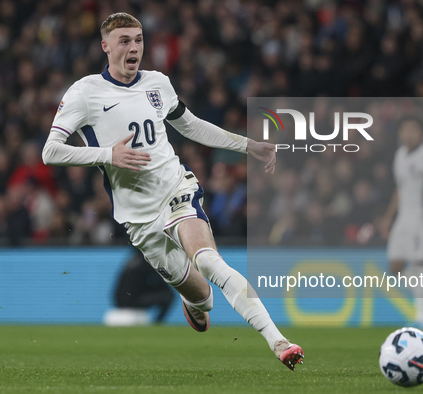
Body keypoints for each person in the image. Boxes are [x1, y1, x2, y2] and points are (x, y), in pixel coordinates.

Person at [42, 12, 303, 371]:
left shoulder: (157, 84)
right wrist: (108, 155)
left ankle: (279, 341)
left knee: (209, 260)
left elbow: (191, 126)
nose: (134, 48)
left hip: (176, 189)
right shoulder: (85, 93)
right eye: (124, 41)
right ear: (105, 46)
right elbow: (51, 151)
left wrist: (249, 145)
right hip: (137, 217)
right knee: (204, 298)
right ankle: (193, 302)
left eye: (138, 40)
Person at [381, 115, 423, 330]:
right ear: (399, 133)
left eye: (414, 129)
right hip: (403, 217)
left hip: (421, 216)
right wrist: (389, 217)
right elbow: (399, 190)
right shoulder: (399, 156)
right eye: (405, 129)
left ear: (421, 133)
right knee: (395, 267)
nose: (409, 133)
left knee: (419, 265)